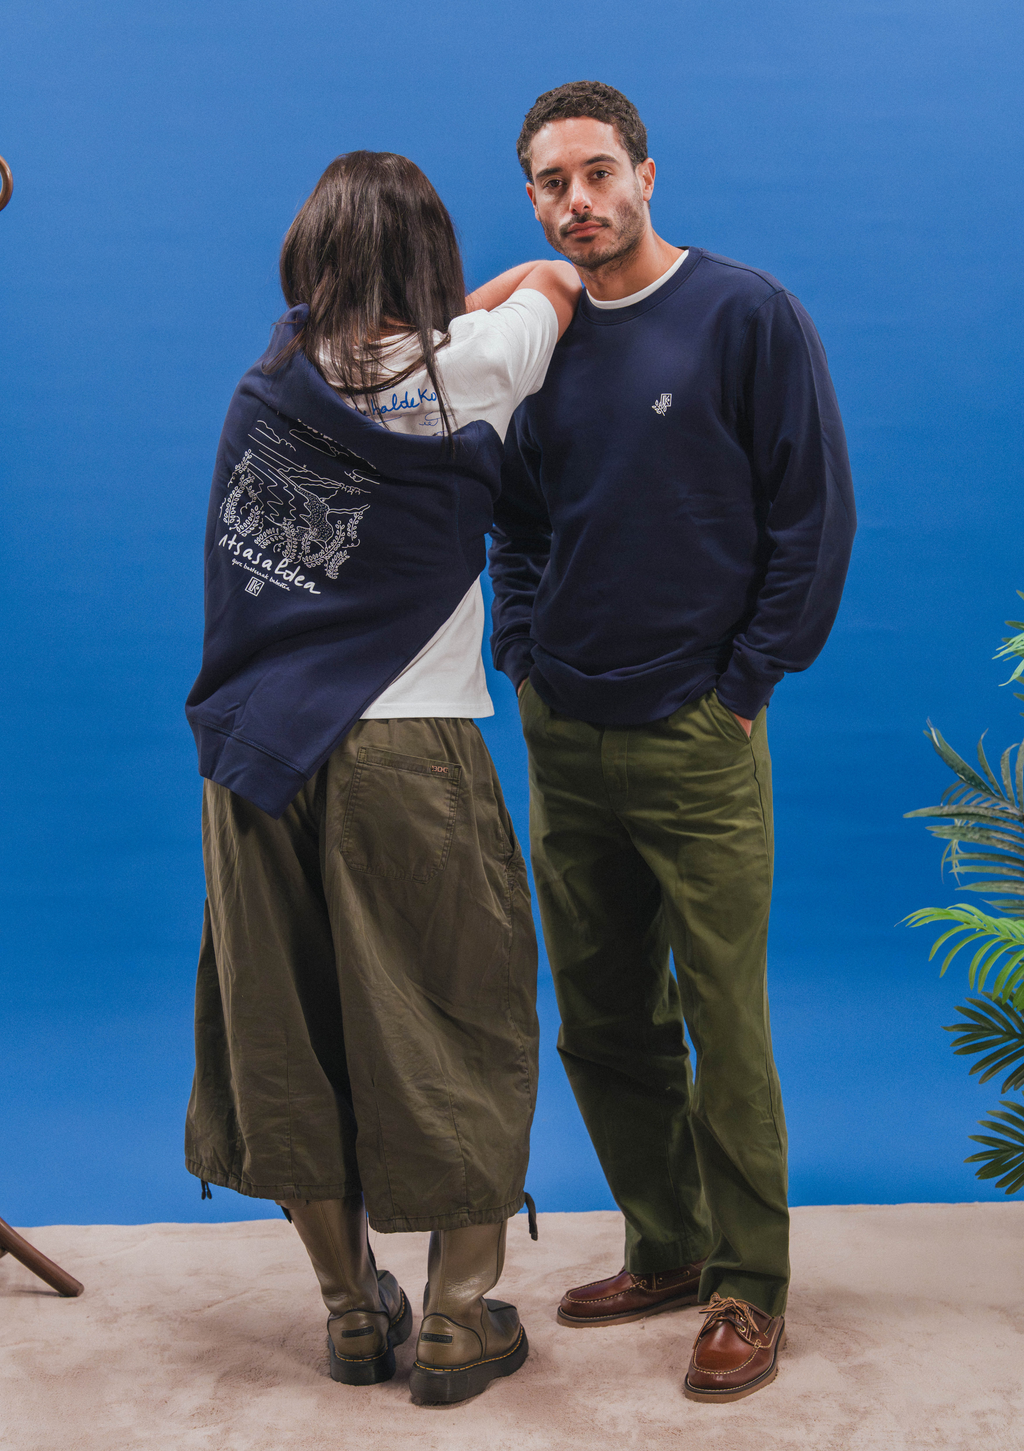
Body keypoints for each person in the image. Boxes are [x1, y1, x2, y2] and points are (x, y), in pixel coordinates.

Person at [183, 150, 579, 1406]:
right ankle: (457, 1321)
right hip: (408, 748)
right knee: (457, 1012)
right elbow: (559, 279)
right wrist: (465, 302)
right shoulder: (473, 367)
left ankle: (353, 1311)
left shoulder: (271, 379)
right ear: (429, 264)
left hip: (256, 756)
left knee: (284, 1023)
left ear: (310, 254)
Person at [490, 82, 856, 1403]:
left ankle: (749, 1284)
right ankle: (667, 1243)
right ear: (532, 198)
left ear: (646, 173)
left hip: (699, 734)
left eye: (598, 172)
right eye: (552, 183)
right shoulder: (538, 338)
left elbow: (812, 513)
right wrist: (522, 651)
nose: (578, 201)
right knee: (601, 1018)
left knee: (722, 1020)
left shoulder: (745, 313)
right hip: (567, 730)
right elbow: (516, 521)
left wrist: (747, 681)